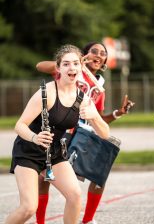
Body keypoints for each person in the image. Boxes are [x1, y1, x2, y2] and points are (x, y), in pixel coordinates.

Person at [5, 44, 110, 224]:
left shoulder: (83, 98)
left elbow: (105, 134)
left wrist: (95, 117)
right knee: (29, 207)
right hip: (29, 150)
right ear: (59, 68)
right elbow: (20, 125)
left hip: (54, 153)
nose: (72, 68)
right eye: (67, 64)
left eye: (76, 64)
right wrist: (34, 137)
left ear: (81, 67)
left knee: (75, 196)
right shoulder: (47, 93)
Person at [36, 42, 134, 224]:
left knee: (100, 172)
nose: (98, 55)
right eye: (94, 51)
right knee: (44, 178)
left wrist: (118, 113)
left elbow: (97, 120)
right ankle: (40, 221)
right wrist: (75, 62)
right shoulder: (71, 70)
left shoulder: (99, 86)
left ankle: (87, 220)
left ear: (105, 60)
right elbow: (40, 66)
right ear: (85, 55)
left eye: (102, 53)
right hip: (60, 129)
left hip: (81, 134)